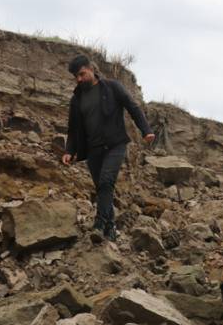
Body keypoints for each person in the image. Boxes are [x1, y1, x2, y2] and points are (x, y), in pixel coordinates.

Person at [62, 54, 155, 242]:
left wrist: (145, 130)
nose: (79, 79)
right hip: (93, 150)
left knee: (106, 181)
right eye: (76, 77)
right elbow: (73, 128)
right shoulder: (77, 99)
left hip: (115, 145)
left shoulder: (112, 87)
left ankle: (99, 223)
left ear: (91, 69)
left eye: (82, 74)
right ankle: (110, 228)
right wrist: (69, 150)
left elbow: (132, 107)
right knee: (102, 189)